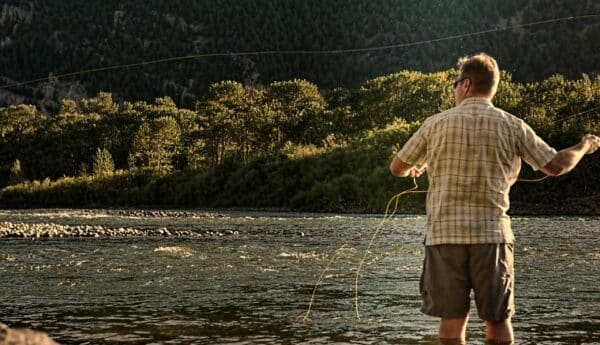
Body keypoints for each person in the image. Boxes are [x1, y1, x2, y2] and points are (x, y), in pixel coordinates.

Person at [389, 53, 600, 345]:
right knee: (498, 323)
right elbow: (556, 166)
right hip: (492, 237)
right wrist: (584, 145)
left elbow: (397, 168)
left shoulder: (434, 124)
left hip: (443, 238)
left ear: (466, 84)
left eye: (455, 83)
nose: (454, 89)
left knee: (451, 325)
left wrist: (414, 168)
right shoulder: (513, 124)